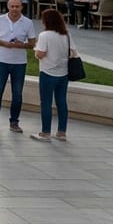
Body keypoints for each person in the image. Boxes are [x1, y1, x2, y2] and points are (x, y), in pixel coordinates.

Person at [0, 0, 35, 133]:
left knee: (17, 94)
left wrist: (21, 45)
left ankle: (14, 122)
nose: (14, 9)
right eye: (12, 6)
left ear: (21, 7)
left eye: (17, 6)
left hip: (19, 63)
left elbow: (32, 43)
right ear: (8, 6)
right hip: (1, 61)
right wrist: (5, 43)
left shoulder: (28, 22)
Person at [31, 9, 73, 142]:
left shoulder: (45, 35)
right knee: (61, 102)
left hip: (47, 72)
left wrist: (36, 52)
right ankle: (61, 132)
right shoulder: (66, 34)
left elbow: (41, 54)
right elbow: (73, 52)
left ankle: (45, 132)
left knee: (46, 103)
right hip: (63, 73)